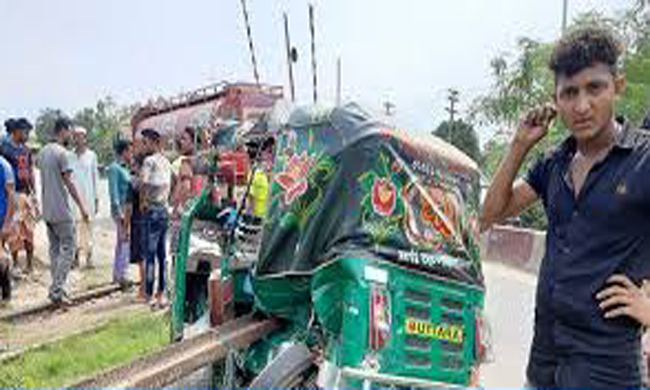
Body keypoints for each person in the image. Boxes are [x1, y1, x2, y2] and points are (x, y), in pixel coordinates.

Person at [481, 26, 650, 387]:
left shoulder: (643, 160)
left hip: (607, 375)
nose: (582, 105)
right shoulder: (554, 164)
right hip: (543, 369)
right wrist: (518, 145)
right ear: (556, 101)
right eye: (569, 93)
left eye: (595, 88)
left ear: (617, 86)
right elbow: (490, 214)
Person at [38, 117, 89, 306]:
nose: (71, 135)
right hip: (61, 210)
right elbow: (69, 183)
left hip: (48, 210)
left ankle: (58, 288)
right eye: (70, 131)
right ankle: (57, 290)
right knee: (69, 248)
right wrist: (83, 206)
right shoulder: (63, 154)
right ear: (64, 130)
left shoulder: (42, 152)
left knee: (54, 251)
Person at [140, 128, 172, 307]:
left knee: (150, 254)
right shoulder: (166, 162)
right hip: (164, 209)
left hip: (152, 210)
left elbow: (143, 183)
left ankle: (150, 294)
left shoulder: (149, 161)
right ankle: (162, 292)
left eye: (145, 142)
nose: (143, 146)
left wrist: (143, 202)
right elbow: (171, 183)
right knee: (162, 254)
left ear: (153, 142)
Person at [2, 118, 37, 275]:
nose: (27, 134)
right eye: (25, 131)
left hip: (26, 193)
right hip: (13, 195)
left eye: (28, 131)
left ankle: (29, 265)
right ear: (16, 131)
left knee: (29, 231)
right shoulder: (6, 149)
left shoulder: (27, 150)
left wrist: (34, 192)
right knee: (15, 233)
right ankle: (15, 265)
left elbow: (31, 171)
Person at [70, 126, 99, 269]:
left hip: (89, 198)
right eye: (75, 136)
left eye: (80, 136)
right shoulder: (69, 156)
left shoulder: (92, 156)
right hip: (73, 201)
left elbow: (95, 178)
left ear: (85, 138)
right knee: (74, 229)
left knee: (89, 229)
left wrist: (97, 198)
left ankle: (89, 258)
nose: (78, 139)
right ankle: (75, 258)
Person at [107, 139, 131, 288]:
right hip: (121, 209)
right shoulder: (114, 168)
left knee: (121, 242)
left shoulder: (126, 168)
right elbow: (114, 193)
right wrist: (120, 214)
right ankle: (122, 276)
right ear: (124, 152)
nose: (132, 154)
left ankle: (117, 274)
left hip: (126, 208)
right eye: (130, 150)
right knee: (125, 241)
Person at [128, 139, 147, 301]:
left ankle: (143, 290)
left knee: (141, 258)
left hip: (138, 221)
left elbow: (128, 206)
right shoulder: (148, 179)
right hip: (148, 219)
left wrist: (126, 225)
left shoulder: (134, 182)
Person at [0, 136, 16, 305]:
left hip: (1, 218)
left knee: (2, 260)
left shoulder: (4, 166)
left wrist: (7, 223)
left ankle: (6, 296)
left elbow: (12, 197)